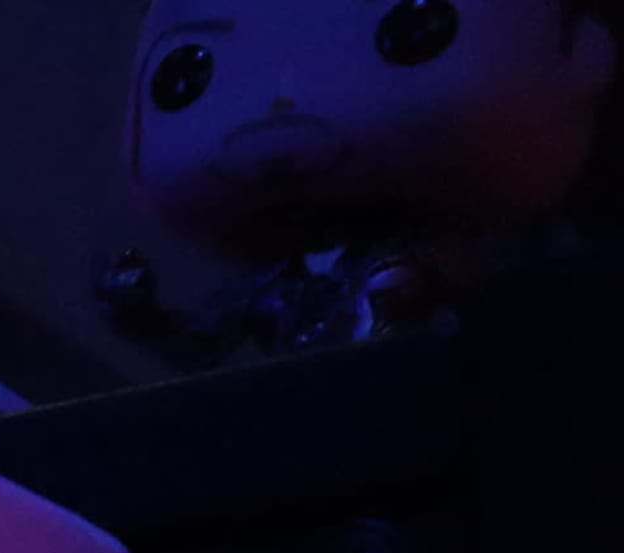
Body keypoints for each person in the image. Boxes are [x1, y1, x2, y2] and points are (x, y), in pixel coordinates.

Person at [100, 1, 618, 359]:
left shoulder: (429, 259)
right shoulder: (276, 283)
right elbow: (198, 346)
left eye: (416, 31)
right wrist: (138, 312)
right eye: (187, 76)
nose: (282, 109)